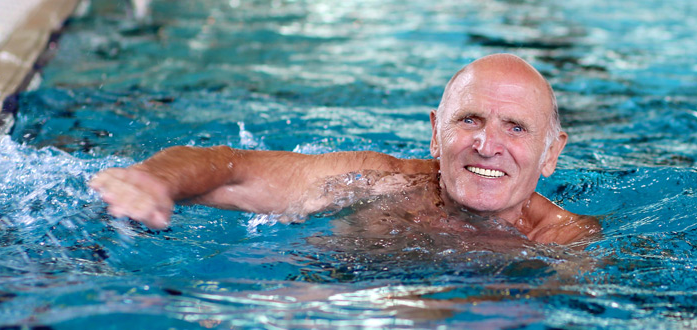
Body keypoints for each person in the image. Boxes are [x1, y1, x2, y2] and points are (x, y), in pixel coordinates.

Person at [89, 53, 601, 248]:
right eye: (469, 120)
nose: (487, 145)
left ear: (551, 153)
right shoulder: (375, 181)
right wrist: (155, 180)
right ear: (434, 133)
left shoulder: (562, 240)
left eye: (516, 128)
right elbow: (234, 168)